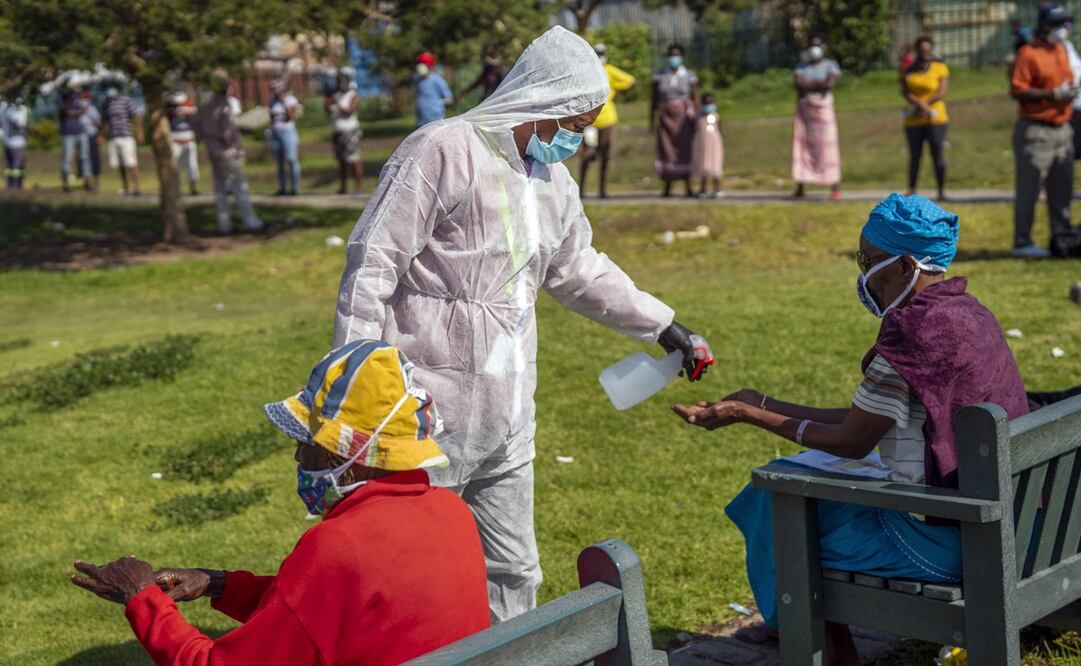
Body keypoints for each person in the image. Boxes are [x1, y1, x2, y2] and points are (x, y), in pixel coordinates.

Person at [333, 25, 714, 623]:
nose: (576, 140)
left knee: (514, 568)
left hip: (508, 408)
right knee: (410, 564)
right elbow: (375, 260)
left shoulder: (551, 179)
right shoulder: (444, 149)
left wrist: (663, 326)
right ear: (542, 102)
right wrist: (353, 378)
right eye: (574, 125)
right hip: (423, 404)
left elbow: (578, 269)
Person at [674, 194, 1029, 664]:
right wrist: (760, 402)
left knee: (781, 509)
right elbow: (866, 417)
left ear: (906, 266)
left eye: (868, 260)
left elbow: (853, 440)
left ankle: (808, 635)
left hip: (958, 547)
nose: (861, 273)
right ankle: (808, 631)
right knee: (793, 498)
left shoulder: (911, 336)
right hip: (1022, 529)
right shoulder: (967, 314)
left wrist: (748, 416)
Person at [70, 340, 491, 665]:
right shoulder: (450, 511)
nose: (297, 457)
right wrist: (221, 584)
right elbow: (328, 610)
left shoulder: (339, 545)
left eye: (304, 443)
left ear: (338, 456)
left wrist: (142, 597)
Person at [1010, 4, 1078, 258]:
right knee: (1029, 189)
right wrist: (1051, 95)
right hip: (1036, 130)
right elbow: (1017, 90)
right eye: (1059, 24)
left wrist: (1067, 92)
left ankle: (1062, 238)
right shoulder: (1028, 53)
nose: (1064, 29)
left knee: (1062, 188)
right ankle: (1022, 241)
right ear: (1045, 25)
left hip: (1063, 128)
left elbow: (1067, 79)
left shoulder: (1060, 50)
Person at [199, 77, 263, 234]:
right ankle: (251, 222)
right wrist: (236, 147)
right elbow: (228, 130)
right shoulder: (222, 104)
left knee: (220, 187)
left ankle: (224, 223)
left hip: (212, 147)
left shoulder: (205, 103)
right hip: (225, 150)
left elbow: (198, 123)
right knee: (239, 186)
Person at [579, 43, 636, 199]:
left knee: (606, 153)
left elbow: (631, 81)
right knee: (588, 153)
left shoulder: (609, 71)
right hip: (590, 122)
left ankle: (602, 190)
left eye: (601, 53)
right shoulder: (586, 72)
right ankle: (581, 189)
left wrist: (619, 90)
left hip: (607, 119)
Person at [791, 36, 842, 200]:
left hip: (824, 111)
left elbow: (829, 84)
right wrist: (819, 83)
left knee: (828, 147)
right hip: (805, 112)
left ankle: (834, 187)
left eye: (817, 45)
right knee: (802, 146)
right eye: (811, 45)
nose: (814, 48)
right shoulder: (801, 66)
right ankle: (800, 186)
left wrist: (810, 84)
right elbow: (799, 85)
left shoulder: (830, 65)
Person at [902, 37, 950, 200]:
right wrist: (920, 106)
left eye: (927, 50)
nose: (925, 53)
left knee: (937, 154)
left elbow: (941, 91)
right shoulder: (909, 69)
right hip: (914, 119)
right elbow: (905, 91)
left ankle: (941, 190)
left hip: (936, 118)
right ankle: (911, 188)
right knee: (915, 156)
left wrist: (925, 105)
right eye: (922, 51)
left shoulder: (940, 67)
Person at [650, 43, 698, 197]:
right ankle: (667, 187)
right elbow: (653, 100)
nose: (674, 59)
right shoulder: (660, 76)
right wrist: (651, 121)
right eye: (671, 55)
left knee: (685, 149)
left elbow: (695, 97)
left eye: (676, 55)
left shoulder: (689, 76)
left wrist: (696, 118)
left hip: (684, 118)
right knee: (666, 149)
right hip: (665, 117)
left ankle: (688, 186)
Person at [325, 71, 364, 195]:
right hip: (338, 131)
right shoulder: (335, 95)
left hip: (350, 132)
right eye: (339, 81)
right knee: (341, 161)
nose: (340, 84)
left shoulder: (352, 96)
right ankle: (343, 188)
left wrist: (337, 103)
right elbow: (327, 110)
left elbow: (349, 112)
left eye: (343, 81)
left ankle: (359, 189)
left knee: (353, 159)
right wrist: (327, 100)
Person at [103, 86, 144, 196]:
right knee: (119, 164)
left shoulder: (126, 100)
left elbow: (137, 114)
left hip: (126, 136)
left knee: (131, 163)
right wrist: (102, 134)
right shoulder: (106, 103)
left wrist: (139, 131)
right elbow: (104, 120)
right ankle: (125, 187)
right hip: (113, 136)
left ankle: (137, 187)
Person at [267, 79, 301, 196]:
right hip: (276, 132)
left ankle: (294, 188)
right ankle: (282, 188)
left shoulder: (290, 99)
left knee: (291, 160)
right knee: (279, 162)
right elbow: (271, 117)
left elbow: (290, 116)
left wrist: (283, 102)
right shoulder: (271, 101)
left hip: (288, 131)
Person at [58, 88, 92, 192]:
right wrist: (76, 111)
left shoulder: (76, 101)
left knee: (85, 157)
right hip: (67, 134)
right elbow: (65, 112)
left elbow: (84, 110)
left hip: (80, 132)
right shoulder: (60, 101)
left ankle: (87, 182)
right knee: (67, 160)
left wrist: (76, 111)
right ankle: (65, 183)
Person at [166, 92, 200, 196]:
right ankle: (176, 188)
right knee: (173, 166)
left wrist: (186, 108)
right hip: (174, 140)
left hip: (189, 140)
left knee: (192, 165)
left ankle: (194, 187)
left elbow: (195, 111)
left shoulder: (190, 107)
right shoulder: (169, 109)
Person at [691, 92, 724, 199]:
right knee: (703, 165)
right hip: (701, 143)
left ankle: (717, 188)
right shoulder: (698, 116)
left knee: (715, 166)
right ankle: (703, 189)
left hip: (714, 143)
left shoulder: (716, 116)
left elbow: (720, 130)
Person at [415, 52, 453, 128]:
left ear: (430, 66)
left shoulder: (437, 80)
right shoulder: (417, 81)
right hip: (421, 121)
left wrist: (438, 103)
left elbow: (449, 99)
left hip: (436, 120)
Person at [2, 95, 29, 190]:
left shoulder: (3, 109)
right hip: (17, 143)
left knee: (10, 167)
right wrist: (28, 129)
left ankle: (10, 185)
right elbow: (15, 124)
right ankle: (16, 186)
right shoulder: (13, 110)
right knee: (17, 167)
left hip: (8, 142)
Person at [78, 86, 102, 192]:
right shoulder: (78, 105)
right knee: (84, 159)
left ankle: (95, 182)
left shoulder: (92, 107)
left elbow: (98, 122)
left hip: (92, 135)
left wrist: (100, 135)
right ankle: (87, 182)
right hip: (81, 135)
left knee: (94, 158)